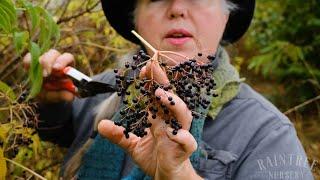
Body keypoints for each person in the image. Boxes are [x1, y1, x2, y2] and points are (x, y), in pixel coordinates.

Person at [23, 0, 314, 179]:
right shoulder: (101, 89)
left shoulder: (267, 135)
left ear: (227, 16)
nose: (177, 8)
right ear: (135, 18)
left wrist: (180, 175)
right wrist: (51, 103)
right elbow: (59, 133)